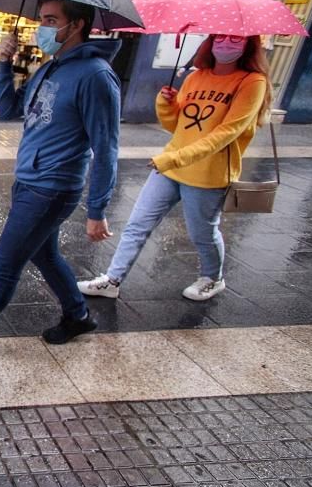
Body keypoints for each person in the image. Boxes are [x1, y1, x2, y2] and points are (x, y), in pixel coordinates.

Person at [0, 0, 121, 357]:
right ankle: (78, 315)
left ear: (75, 25)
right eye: (41, 19)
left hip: (53, 187)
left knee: (7, 263)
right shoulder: (50, 67)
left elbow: (106, 147)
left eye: (50, 20)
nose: (41, 27)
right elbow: (9, 109)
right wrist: (4, 64)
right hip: (29, 180)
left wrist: (98, 208)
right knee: (44, 255)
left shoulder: (95, 76)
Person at [78, 34, 271, 302]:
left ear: (249, 45)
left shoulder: (252, 82)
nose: (227, 43)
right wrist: (166, 105)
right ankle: (112, 279)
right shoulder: (195, 77)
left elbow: (227, 132)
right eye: (221, 37)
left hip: (207, 174)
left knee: (203, 232)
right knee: (137, 224)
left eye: (236, 38)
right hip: (170, 166)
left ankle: (213, 278)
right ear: (211, 41)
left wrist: (176, 158)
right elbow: (177, 126)